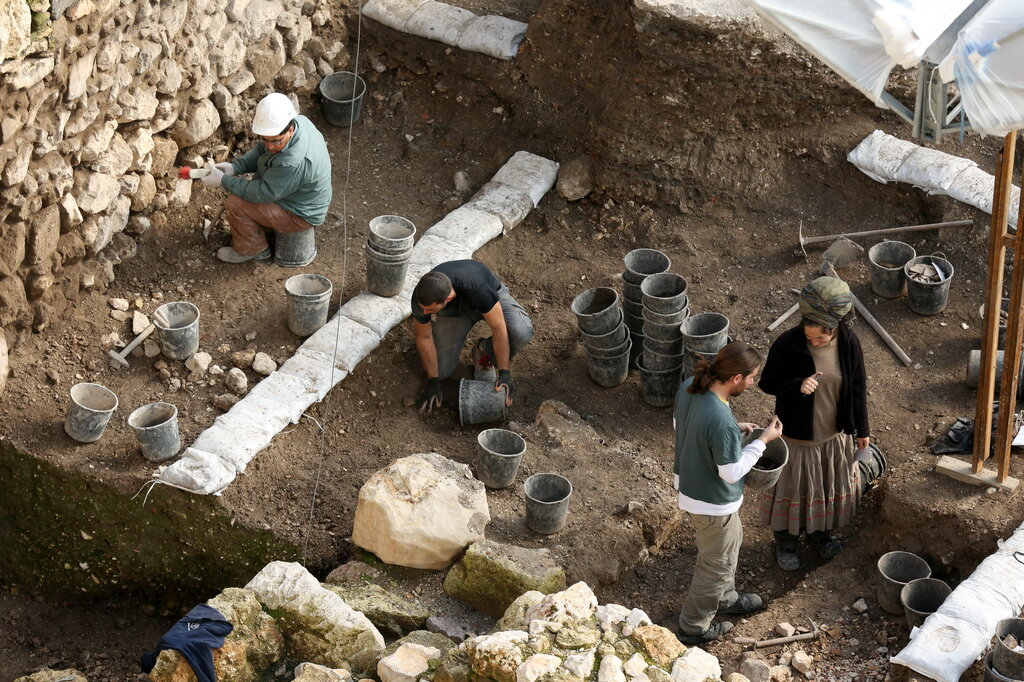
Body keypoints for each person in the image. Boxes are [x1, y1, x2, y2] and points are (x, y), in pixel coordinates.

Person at [758, 276, 883, 572]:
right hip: (796, 437)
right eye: (809, 335)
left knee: (823, 490)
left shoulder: (849, 344)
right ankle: (786, 542)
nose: (813, 341)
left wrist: (862, 430)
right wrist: (797, 385)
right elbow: (767, 383)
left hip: (832, 436)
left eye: (820, 339)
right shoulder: (788, 344)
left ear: (834, 329)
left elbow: (857, 387)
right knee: (794, 491)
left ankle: (820, 536)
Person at [673, 340, 783, 645]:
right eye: (751, 378)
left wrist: (734, 429)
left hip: (693, 487)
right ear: (736, 378)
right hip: (713, 502)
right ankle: (693, 627)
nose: (752, 383)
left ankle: (725, 598)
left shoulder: (689, 387)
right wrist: (763, 440)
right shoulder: (719, 419)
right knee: (715, 564)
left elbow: (685, 425)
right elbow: (732, 471)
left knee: (729, 545)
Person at [201, 93, 333, 264]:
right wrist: (236, 167)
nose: (270, 145)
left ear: (290, 130)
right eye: (266, 139)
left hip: (301, 215)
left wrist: (224, 181)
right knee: (246, 190)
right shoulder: (299, 122)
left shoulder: (293, 162)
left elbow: (263, 193)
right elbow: (262, 150)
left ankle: (253, 250)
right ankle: (262, 230)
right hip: (300, 197)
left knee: (236, 204)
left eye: (275, 141)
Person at [412, 260, 534, 412]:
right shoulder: (421, 297)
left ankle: (484, 352)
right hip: (456, 314)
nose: (424, 313)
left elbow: (498, 327)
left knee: (520, 332)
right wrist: (433, 381)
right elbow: (424, 337)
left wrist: (504, 373)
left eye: (429, 309)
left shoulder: (476, 287)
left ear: (447, 299)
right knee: (441, 371)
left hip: (489, 298)